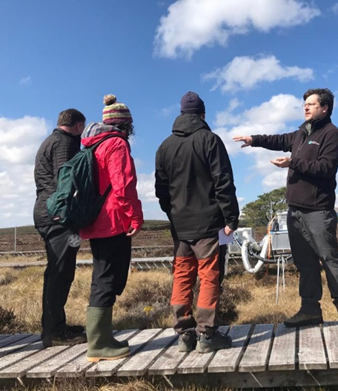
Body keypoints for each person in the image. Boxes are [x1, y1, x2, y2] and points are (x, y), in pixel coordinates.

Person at [234, 88, 338, 329]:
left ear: (325, 108)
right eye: (305, 104)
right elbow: (279, 140)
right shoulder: (302, 132)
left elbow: (325, 168)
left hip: (318, 211)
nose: (306, 107)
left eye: (311, 104)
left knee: (329, 258)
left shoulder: (332, 135)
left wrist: (294, 163)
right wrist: (254, 140)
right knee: (304, 262)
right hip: (296, 211)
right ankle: (310, 310)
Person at [155, 91, 239, 353]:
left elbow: (162, 190)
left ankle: (184, 334)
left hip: (180, 227)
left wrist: (174, 214)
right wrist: (231, 218)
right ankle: (207, 335)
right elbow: (222, 182)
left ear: (181, 115)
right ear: (203, 114)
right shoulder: (210, 140)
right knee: (209, 277)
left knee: (182, 276)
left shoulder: (164, 146)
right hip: (208, 225)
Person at [80, 95, 143, 362]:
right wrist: (135, 217)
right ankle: (97, 344)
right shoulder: (116, 144)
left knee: (102, 275)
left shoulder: (92, 145)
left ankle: (103, 337)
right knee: (107, 277)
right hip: (113, 220)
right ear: (124, 125)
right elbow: (123, 185)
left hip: (97, 219)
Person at [34, 109, 88, 348]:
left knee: (57, 271)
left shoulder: (52, 140)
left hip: (49, 213)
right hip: (58, 216)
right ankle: (55, 331)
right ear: (78, 126)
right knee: (60, 273)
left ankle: (54, 326)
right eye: (83, 129)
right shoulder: (64, 143)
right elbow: (65, 178)